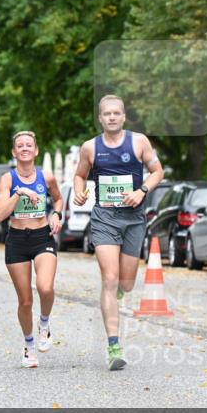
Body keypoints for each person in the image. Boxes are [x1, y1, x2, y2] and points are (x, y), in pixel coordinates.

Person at [72, 95, 164, 371]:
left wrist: (141, 191)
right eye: (106, 114)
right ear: (100, 118)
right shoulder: (90, 147)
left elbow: (157, 171)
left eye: (116, 113)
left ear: (124, 117)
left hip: (134, 218)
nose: (111, 117)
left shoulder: (139, 142)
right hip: (105, 217)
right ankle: (114, 345)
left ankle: (118, 293)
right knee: (109, 279)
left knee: (126, 283)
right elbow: (79, 175)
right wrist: (79, 192)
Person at [0, 131, 63, 368]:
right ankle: (29, 345)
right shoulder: (8, 179)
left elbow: (58, 200)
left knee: (45, 287)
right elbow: (0, 214)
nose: (24, 148)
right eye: (20, 146)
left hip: (42, 236)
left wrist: (56, 214)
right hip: (17, 240)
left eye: (29, 145)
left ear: (36, 151)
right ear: (14, 152)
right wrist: (19, 192)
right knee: (25, 301)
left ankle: (44, 324)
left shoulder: (47, 176)